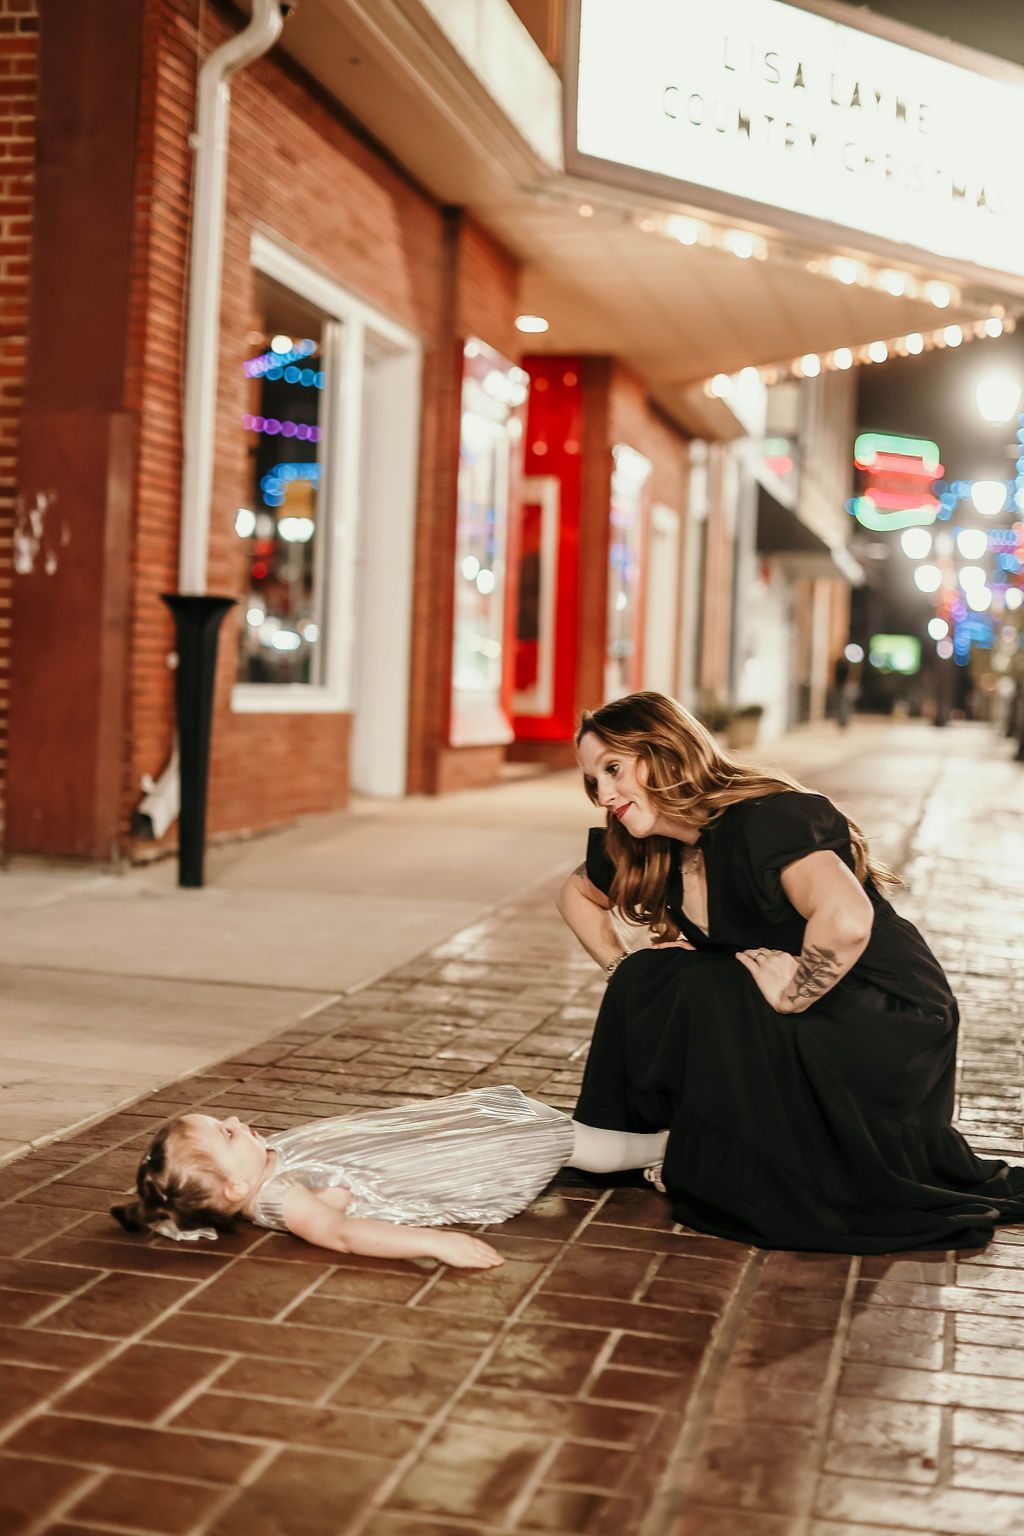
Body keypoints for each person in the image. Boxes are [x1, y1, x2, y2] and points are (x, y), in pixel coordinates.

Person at [557, 690, 1024, 1254]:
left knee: (712, 984)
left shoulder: (765, 820)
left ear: (668, 751)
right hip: (803, 1006)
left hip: (884, 1014)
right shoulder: (649, 847)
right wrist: (621, 962)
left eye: (614, 769)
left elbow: (847, 920)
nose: (604, 795)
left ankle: (711, 1152)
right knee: (651, 974)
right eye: (592, 782)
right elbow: (575, 895)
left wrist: (795, 993)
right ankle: (656, 1139)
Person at [110, 1086, 668, 1269]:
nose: (236, 1122)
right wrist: (438, 1244)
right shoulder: (281, 1198)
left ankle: (655, 1145)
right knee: (572, 1144)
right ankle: (674, 1145)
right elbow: (344, 1235)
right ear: (235, 1190)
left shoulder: (259, 1173)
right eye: (227, 1135)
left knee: (566, 1134)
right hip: (458, 1162)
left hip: (432, 1142)